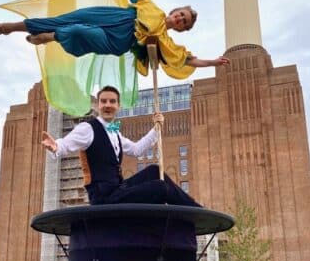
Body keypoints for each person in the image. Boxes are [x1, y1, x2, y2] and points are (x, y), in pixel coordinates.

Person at [0, 0, 229, 78]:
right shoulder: (151, 7)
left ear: (182, 29)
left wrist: (213, 62)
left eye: (183, 22)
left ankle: (51, 37)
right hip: (114, 17)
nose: (179, 18)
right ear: (175, 10)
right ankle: (6, 28)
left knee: (77, 31)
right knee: (57, 20)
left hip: (119, 40)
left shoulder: (165, 42)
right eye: (180, 14)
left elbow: (188, 60)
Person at [42, 85, 202, 207]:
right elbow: (67, 144)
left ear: (118, 106)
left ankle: (195, 207)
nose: (107, 105)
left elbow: (136, 149)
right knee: (160, 188)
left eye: (112, 101)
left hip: (118, 189)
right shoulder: (88, 128)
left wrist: (156, 128)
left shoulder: (114, 132)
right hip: (103, 197)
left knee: (154, 170)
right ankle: (194, 215)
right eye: (103, 101)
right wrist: (55, 146)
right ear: (98, 105)